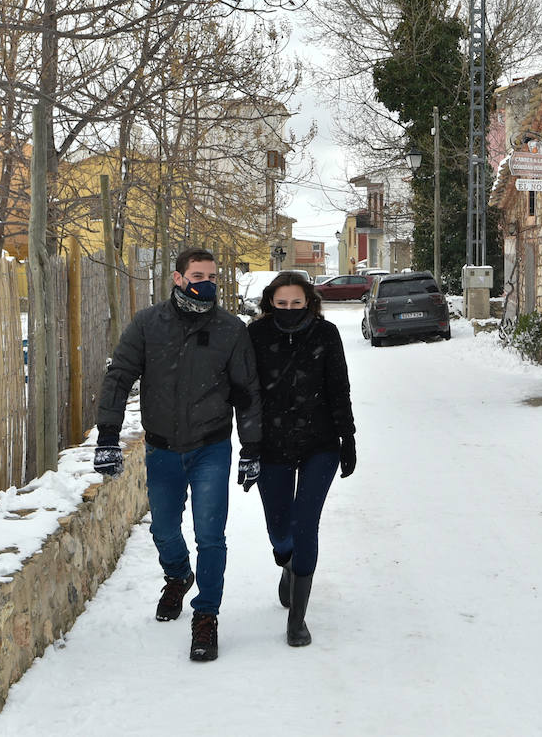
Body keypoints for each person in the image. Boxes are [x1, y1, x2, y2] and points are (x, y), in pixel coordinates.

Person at [94, 247, 262, 663]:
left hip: (211, 446)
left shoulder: (229, 329)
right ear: (177, 278)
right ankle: (178, 574)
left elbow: (247, 393)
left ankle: (206, 616)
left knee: (210, 536)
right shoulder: (150, 324)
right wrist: (107, 436)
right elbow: (119, 377)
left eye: (212, 276)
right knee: (164, 529)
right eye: (197, 275)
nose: (206, 283)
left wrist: (251, 448)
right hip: (162, 447)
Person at [248, 272, 356, 647]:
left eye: (297, 303)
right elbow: (247, 396)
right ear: (270, 304)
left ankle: (297, 619)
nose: (290, 310)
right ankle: (287, 563)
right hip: (271, 444)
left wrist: (348, 437)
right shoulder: (256, 336)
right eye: (282, 304)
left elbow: (338, 387)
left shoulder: (326, 335)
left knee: (304, 523)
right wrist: (250, 445)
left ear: (309, 302)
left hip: (319, 443)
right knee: (279, 530)